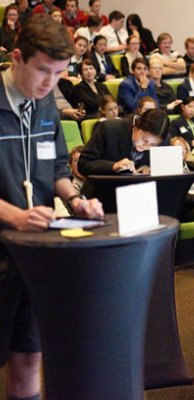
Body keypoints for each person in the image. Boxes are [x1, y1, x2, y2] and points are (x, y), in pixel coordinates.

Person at [0, 14, 103, 400]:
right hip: (5, 244)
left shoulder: (46, 106)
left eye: (59, 74)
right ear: (16, 58)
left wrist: (75, 199)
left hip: (35, 254)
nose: (50, 83)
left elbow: (57, 168)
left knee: (29, 357)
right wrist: (16, 216)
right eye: (43, 70)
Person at [78, 108, 170, 180]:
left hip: (141, 193)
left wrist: (150, 169)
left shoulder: (164, 140)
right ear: (136, 128)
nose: (146, 146)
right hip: (104, 192)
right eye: (144, 140)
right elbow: (83, 165)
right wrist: (113, 166)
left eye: (153, 145)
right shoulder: (109, 130)